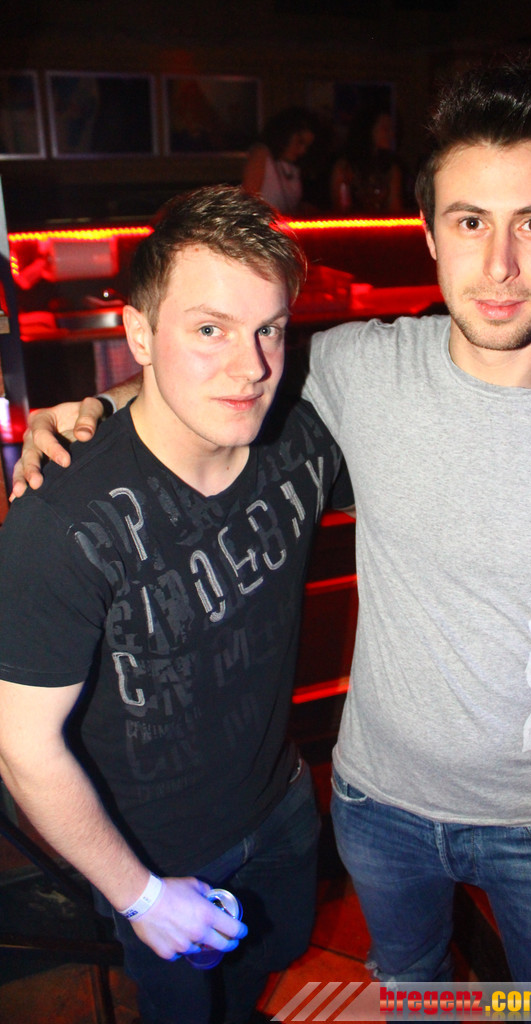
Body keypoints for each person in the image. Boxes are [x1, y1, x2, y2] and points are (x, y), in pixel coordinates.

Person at [11, 59, 531, 985]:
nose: (499, 264)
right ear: (430, 234)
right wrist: (96, 407)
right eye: (470, 222)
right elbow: (217, 371)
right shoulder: (358, 368)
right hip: (376, 806)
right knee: (414, 995)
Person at [0, 184, 352, 1024]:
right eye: (209, 329)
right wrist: (142, 896)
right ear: (138, 334)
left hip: (281, 801)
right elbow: (21, 747)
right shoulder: (61, 520)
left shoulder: (299, 441)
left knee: (269, 963)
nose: (251, 366)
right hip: (153, 852)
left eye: (269, 328)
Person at [242, 107, 316, 215]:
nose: (302, 151)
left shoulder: (294, 168)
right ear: (286, 134)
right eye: (300, 142)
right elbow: (247, 201)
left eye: (306, 146)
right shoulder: (262, 154)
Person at [330, 107, 404, 214]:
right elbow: (339, 210)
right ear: (369, 129)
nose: (391, 134)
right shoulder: (345, 168)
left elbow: (395, 210)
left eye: (393, 129)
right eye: (385, 129)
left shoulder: (391, 169)